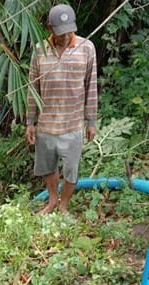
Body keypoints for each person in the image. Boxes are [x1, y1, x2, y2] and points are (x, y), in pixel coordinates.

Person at [25, 3, 98, 214]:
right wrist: (30, 122)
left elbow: (91, 87)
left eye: (69, 32)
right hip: (46, 125)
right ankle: (52, 201)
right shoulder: (40, 50)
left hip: (73, 123)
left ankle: (64, 205)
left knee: (71, 171)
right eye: (60, 33)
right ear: (49, 28)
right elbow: (33, 89)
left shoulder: (86, 47)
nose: (66, 37)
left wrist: (91, 121)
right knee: (48, 168)